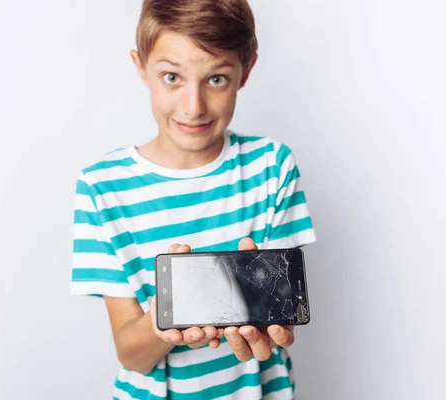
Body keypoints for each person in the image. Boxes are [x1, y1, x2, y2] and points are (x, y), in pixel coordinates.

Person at [70, 0, 317, 398]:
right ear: (141, 66)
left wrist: (274, 327)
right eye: (172, 77)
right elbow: (131, 355)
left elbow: (281, 318)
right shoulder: (102, 186)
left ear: (246, 70)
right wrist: (166, 321)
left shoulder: (271, 167)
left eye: (216, 79)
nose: (193, 106)